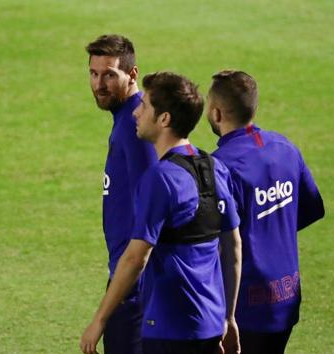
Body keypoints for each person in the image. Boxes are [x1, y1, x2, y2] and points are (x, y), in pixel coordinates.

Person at [81, 72, 242, 354]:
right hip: (210, 323)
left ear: (164, 119)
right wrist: (228, 316)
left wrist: (99, 320)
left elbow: (135, 258)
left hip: (169, 327)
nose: (136, 113)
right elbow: (233, 246)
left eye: (144, 106)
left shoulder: (160, 179)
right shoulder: (214, 167)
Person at [207, 70, 325, 354]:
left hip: (246, 306)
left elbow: (214, 243)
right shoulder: (284, 147)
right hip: (287, 297)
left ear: (217, 113)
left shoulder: (221, 166)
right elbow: (312, 208)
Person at [85, 34, 157, 354]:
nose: (99, 84)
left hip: (133, 288)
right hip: (128, 281)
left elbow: (153, 212)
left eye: (109, 75)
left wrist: (103, 314)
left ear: (132, 74)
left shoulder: (135, 127)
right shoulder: (126, 120)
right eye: (94, 73)